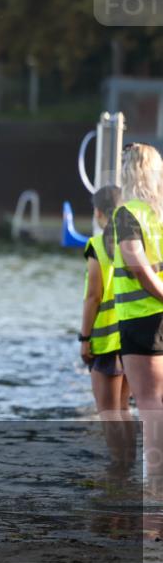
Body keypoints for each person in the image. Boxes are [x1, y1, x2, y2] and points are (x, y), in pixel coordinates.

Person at [111, 143, 163, 508]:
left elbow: (137, 264)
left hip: (142, 318)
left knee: (149, 402)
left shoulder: (127, 213)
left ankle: (155, 485)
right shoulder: (159, 215)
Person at [80, 185, 131, 415]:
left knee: (108, 413)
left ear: (97, 212)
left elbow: (93, 297)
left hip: (106, 341)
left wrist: (84, 338)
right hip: (133, 336)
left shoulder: (98, 246)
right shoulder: (136, 244)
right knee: (124, 409)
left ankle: (118, 447)